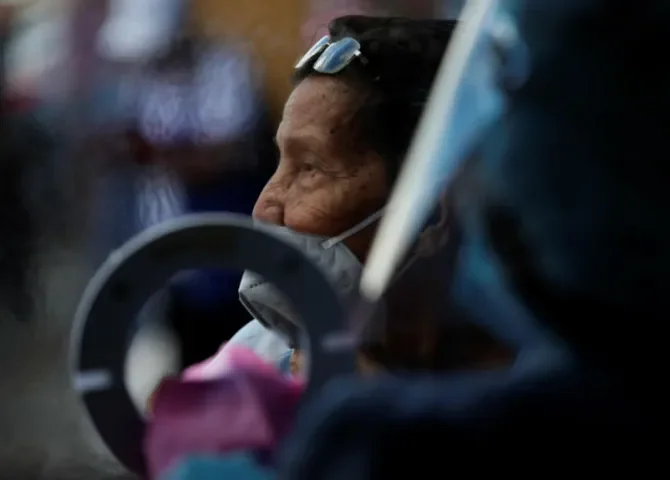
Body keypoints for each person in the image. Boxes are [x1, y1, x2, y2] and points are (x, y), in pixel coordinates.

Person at [228, 15, 511, 374]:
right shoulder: (256, 368)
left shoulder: (554, 384)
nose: (264, 209)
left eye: (310, 168)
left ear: (431, 208)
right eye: (280, 162)